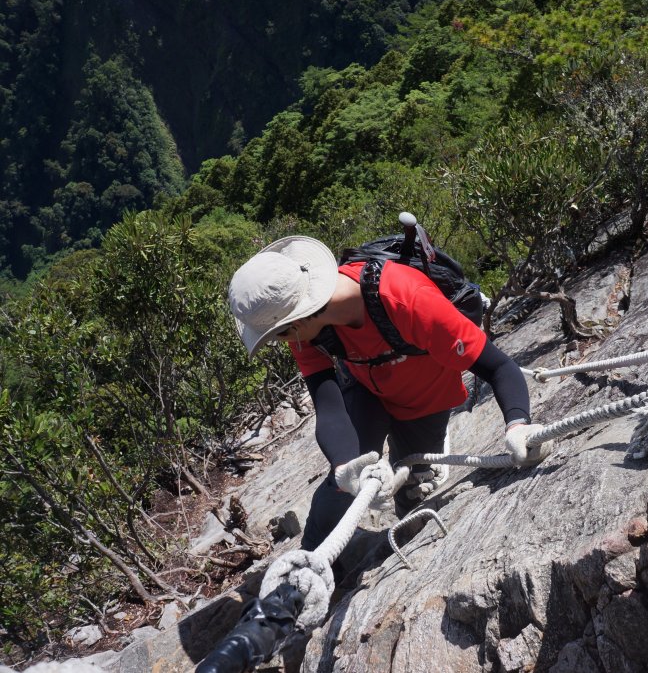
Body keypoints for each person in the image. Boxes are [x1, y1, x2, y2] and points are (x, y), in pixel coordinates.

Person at [228, 235, 545, 553]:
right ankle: (309, 568)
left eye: (279, 333)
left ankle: (409, 540)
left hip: (425, 400)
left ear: (299, 316)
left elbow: (497, 367)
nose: (281, 341)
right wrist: (344, 467)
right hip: (366, 393)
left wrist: (517, 424)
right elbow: (328, 405)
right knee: (339, 487)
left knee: (411, 490)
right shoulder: (304, 333)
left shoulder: (406, 298)